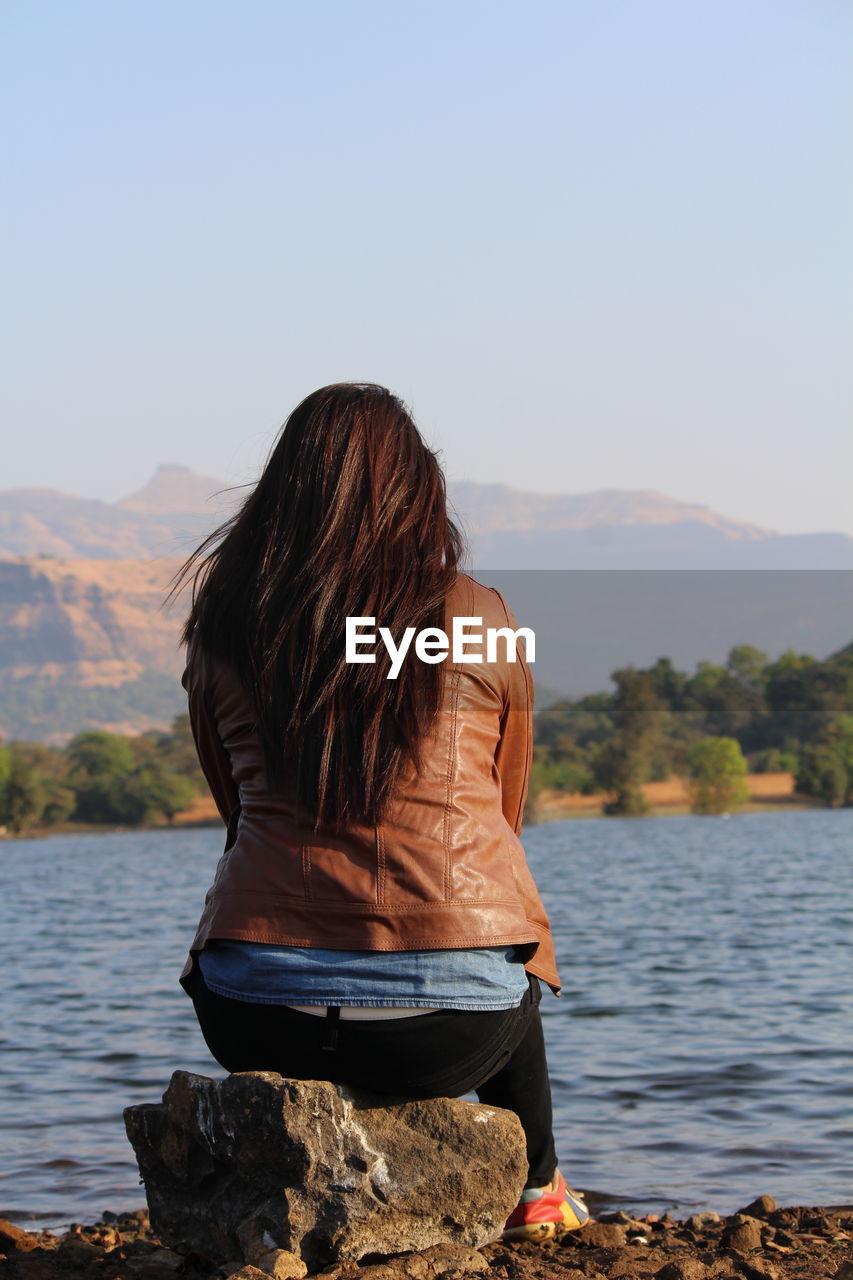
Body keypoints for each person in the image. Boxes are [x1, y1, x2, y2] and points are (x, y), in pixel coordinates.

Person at [175, 382, 589, 1242]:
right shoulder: (480, 616)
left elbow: (234, 809)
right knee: (506, 943)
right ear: (416, 492)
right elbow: (502, 818)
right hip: (447, 1032)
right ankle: (538, 1189)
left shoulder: (224, 625)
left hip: (254, 1014)